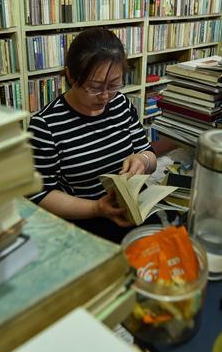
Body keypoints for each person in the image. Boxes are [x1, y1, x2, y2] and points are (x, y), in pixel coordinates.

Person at [28, 28, 157, 242]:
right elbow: (39, 194)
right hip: (87, 217)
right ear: (70, 75)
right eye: (94, 87)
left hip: (136, 205)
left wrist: (142, 160)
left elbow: (149, 155)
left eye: (114, 84)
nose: (105, 96)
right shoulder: (45, 125)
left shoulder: (121, 104)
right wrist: (96, 208)